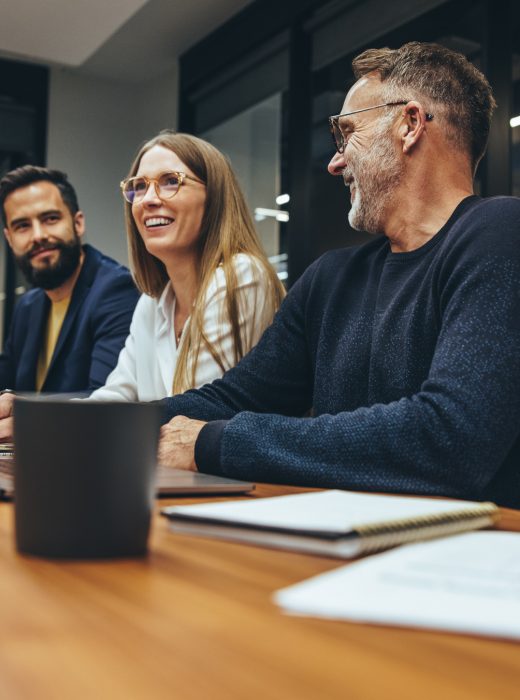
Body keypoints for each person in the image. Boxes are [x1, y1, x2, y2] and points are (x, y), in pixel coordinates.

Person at [156, 42, 520, 509]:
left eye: (347, 133)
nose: (335, 161)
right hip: (339, 542)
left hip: (464, 562)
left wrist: (214, 444)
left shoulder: (500, 233)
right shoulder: (330, 278)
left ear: (409, 125)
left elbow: (450, 437)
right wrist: (91, 425)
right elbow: (237, 398)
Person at [88, 131, 285, 402]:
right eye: (140, 186)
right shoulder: (152, 304)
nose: (147, 200)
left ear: (214, 197)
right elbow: (117, 395)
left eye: (170, 182)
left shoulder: (242, 276)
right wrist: (39, 418)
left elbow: (193, 413)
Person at [0, 166, 139, 403]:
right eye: (22, 225)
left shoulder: (116, 290)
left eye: (50, 219)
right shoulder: (27, 306)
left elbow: (105, 400)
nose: (38, 236)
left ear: (78, 223)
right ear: (10, 239)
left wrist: (26, 417)